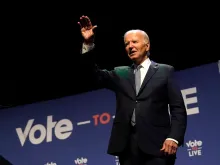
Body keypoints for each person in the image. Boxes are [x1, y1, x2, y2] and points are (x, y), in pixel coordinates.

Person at [78, 15, 187, 165]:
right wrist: (88, 44)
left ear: (147, 46)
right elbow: (92, 75)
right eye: (126, 44)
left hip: (159, 147)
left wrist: (174, 137)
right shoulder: (120, 73)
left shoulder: (165, 71)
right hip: (128, 150)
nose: (130, 46)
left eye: (134, 42)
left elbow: (178, 109)